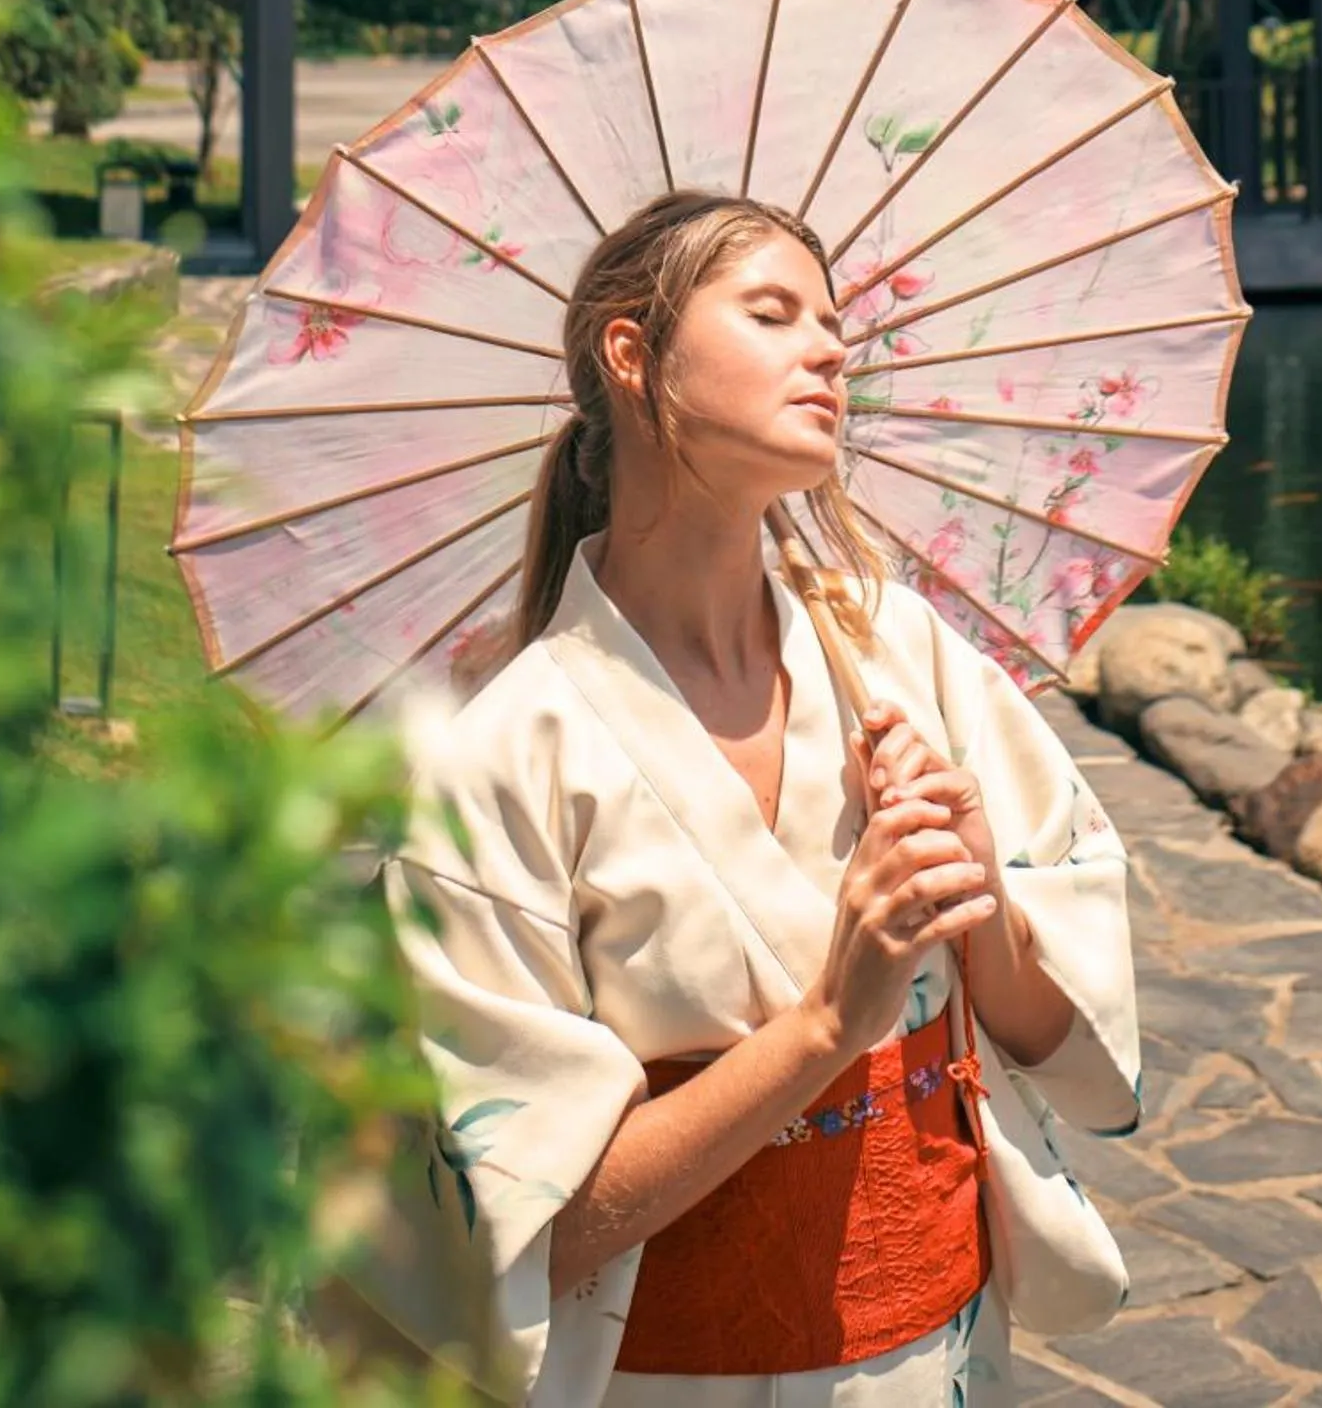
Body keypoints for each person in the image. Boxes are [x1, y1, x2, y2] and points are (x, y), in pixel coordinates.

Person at [351, 188, 1139, 1404]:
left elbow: (1055, 1039)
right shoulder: (507, 754)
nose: (830, 351)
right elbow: (518, 1229)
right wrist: (828, 1023)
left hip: (934, 1354)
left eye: (833, 324)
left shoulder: (902, 655)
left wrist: (978, 892)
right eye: (773, 314)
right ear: (632, 355)